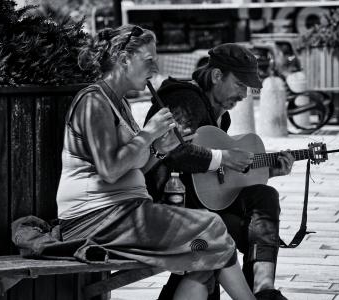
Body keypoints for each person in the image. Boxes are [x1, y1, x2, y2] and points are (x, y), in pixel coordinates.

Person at [56, 25, 257, 300]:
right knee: (212, 230)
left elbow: (135, 166)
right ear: (123, 59)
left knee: (209, 251)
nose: (155, 67)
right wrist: (148, 133)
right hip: (97, 219)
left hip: (124, 214)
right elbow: (110, 169)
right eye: (149, 60)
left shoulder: (120, 103)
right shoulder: (94, 102)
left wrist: (160, 150)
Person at [144, 43, 295, 300]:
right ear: (216, 76)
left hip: (200, 201)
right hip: (171, 203)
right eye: (240, 85)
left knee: (264, 196)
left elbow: (216, 180)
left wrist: (268, 171)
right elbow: (176, 153)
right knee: (221, 238)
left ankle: (264, 289)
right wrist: (223, 157)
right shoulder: (184, 99)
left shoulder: (221, 116)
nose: (245, 95)